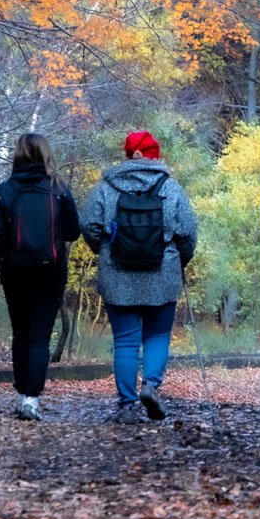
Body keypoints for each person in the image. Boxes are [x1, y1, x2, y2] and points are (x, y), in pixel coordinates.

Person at [82, 130, 198, 423]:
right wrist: (179, 258)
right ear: (153, 156)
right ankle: (150, 386)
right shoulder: (171, 187)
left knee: (125, 341)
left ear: (129, 154)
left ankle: (127, 406)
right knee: (158, 335)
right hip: (162, 274)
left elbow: (89, 224)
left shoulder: (106, 187)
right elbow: (187, 231)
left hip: (117, 274)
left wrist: (105, 249)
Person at [0, 133, 80, 421]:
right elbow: (74, 232)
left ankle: (20, 393)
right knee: (39, 337)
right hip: (50, 272)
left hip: (14, 272)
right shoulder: (59, 188)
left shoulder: (5, 190)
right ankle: (31, 399)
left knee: (21, 335)